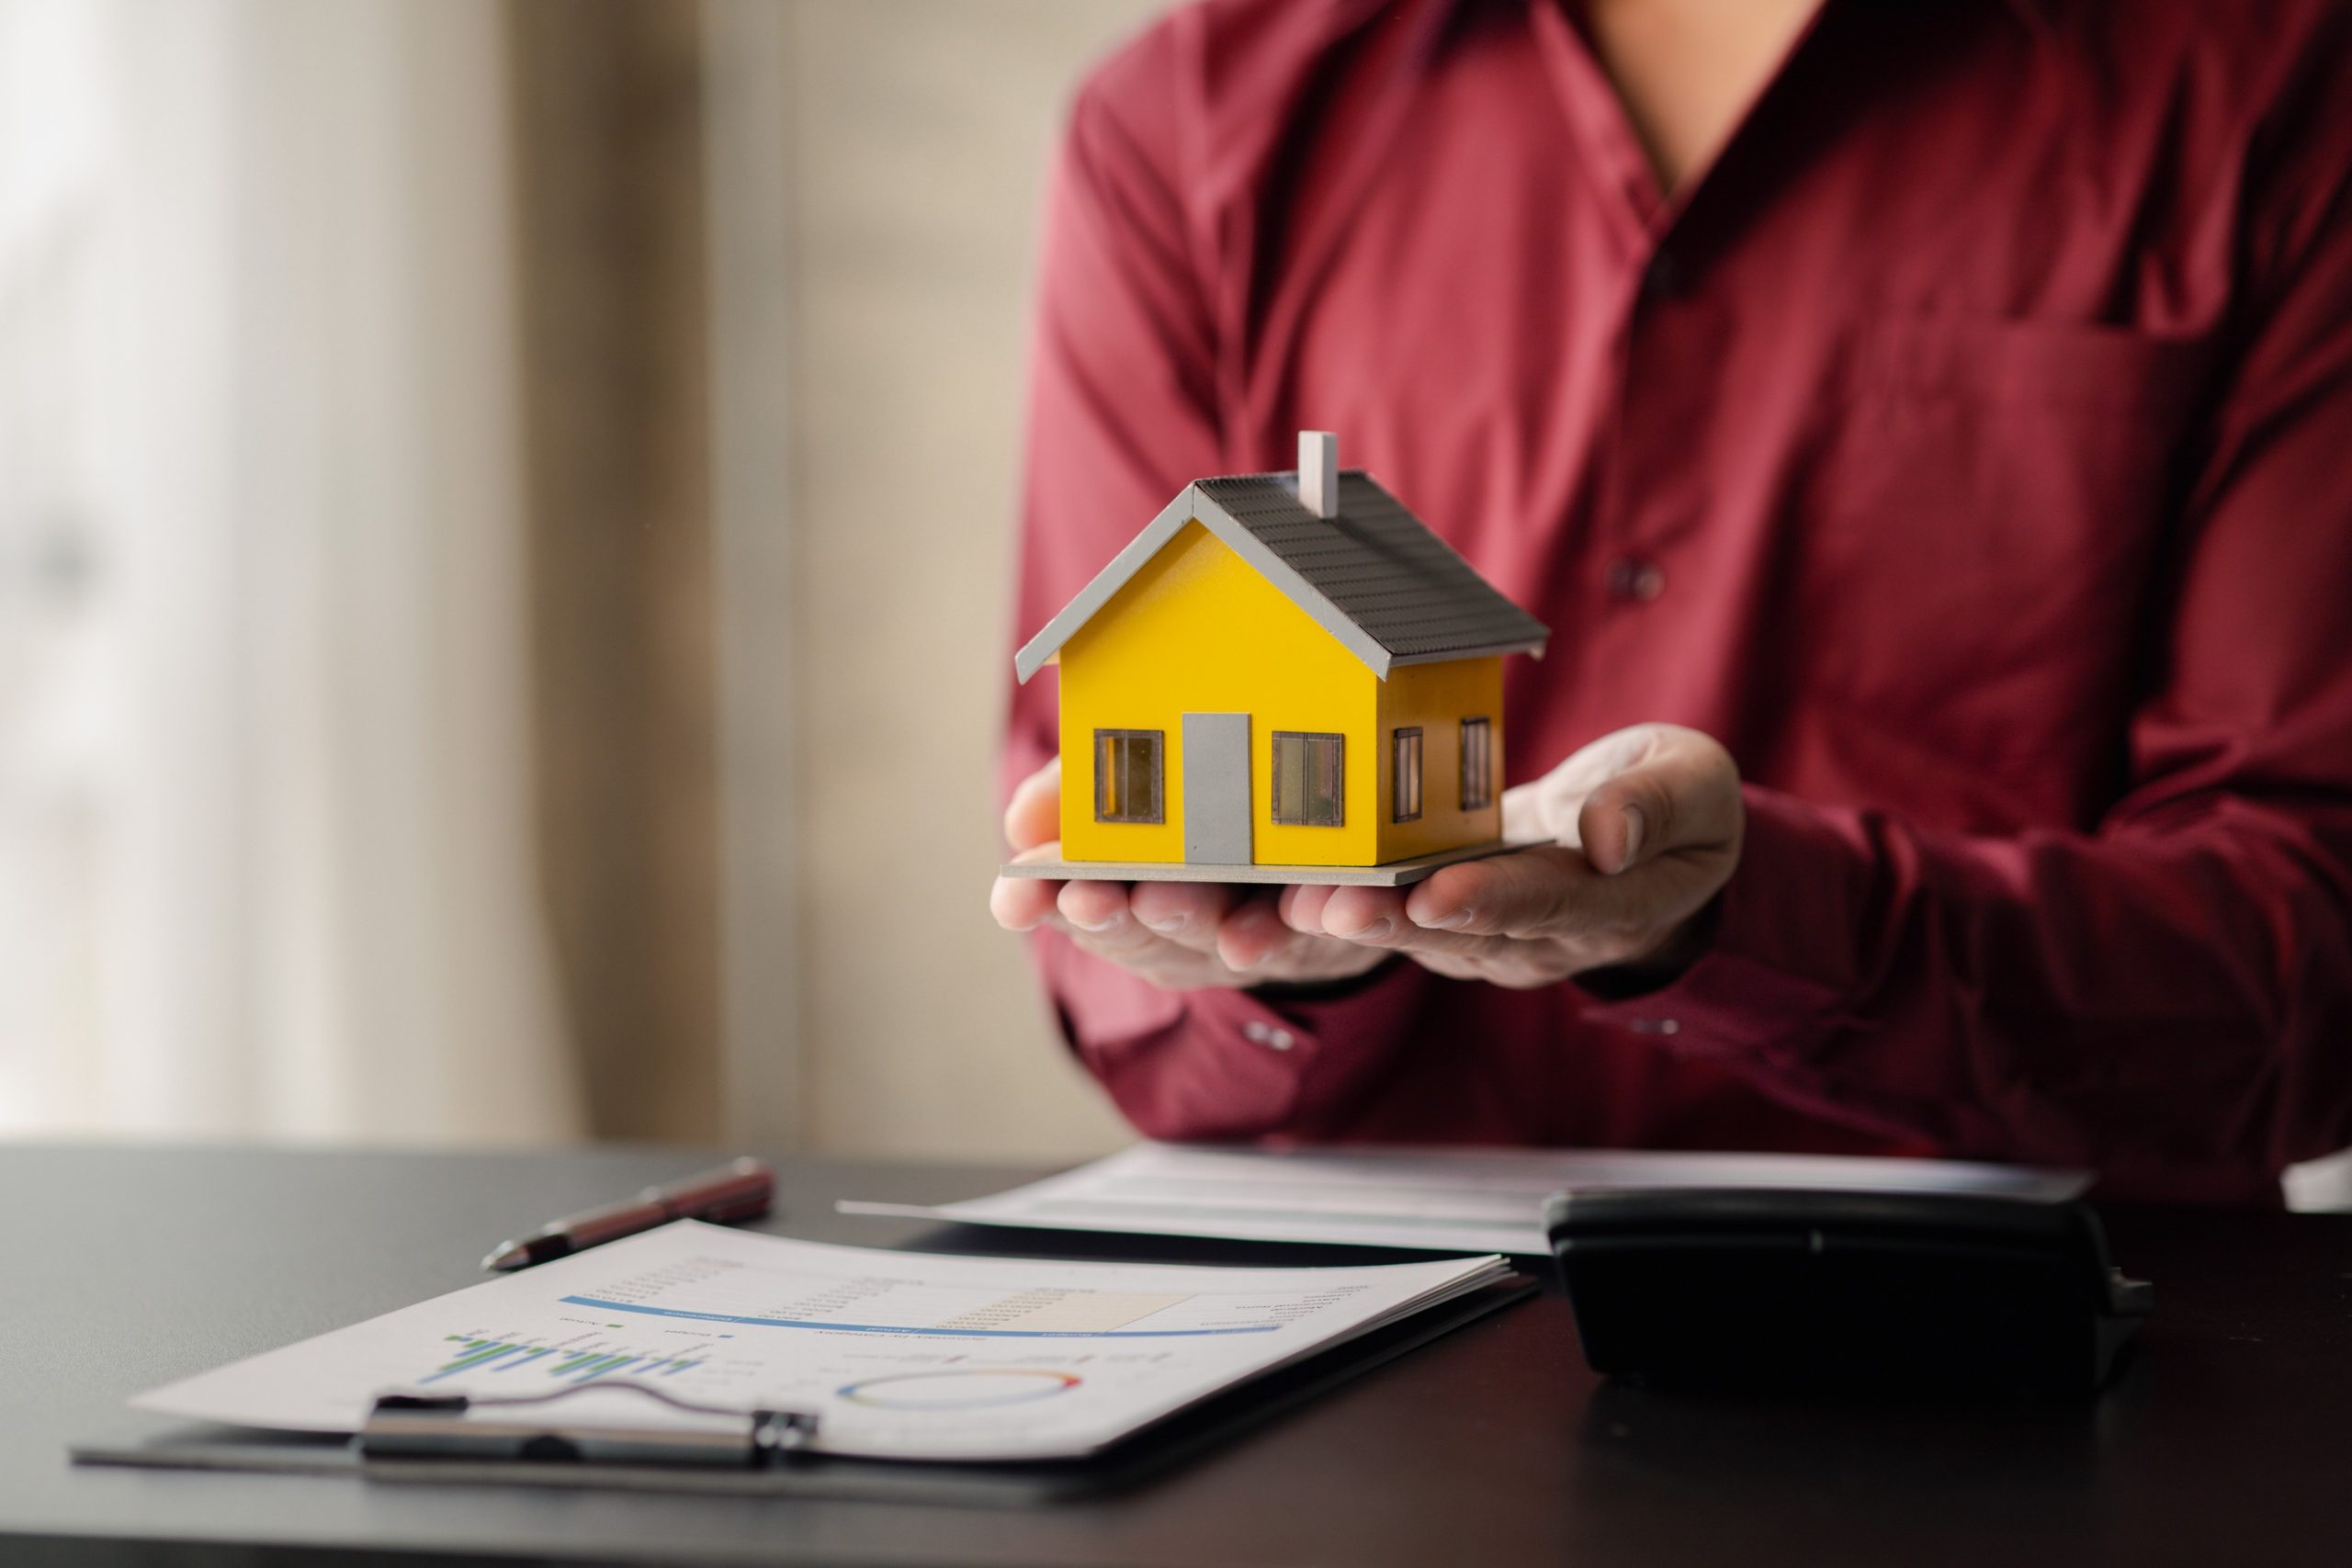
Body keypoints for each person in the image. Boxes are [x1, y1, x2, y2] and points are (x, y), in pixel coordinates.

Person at [989, 0, 2352, 1204]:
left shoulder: (2275, 82)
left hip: (2033, 1355)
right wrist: (1276, 954)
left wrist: (1750, 924)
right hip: (1354, 1350)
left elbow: (2313, 962)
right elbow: (1121, 984)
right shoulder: (1185, 118)